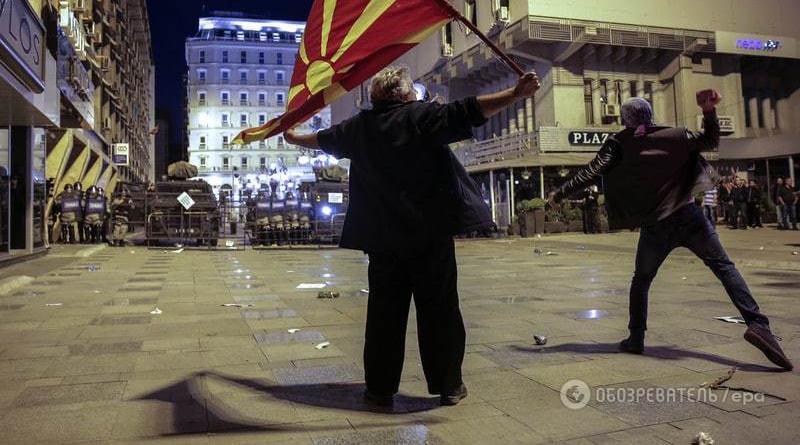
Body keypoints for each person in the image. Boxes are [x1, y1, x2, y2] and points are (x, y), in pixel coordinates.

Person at [284, 66, 541, 405]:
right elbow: (470, 111)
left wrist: (291, 136)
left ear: (376, 96)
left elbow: (323, 140)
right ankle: (449, 385)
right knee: (440, 311)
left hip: (383, 241)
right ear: (405, 94)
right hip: (429, 234)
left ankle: (379, 389)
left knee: (383, 316)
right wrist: (515, 94)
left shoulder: (359, 127)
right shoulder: (421, 116)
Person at [549, 90, 792, 371]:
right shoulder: (676, 136)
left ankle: (636, 337)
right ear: (651, 116)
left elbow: (591, 171)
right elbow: (711, 140)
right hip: (690, 217)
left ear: (625, 119)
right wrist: (708, 111)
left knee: (641, 280)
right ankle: (758, 325)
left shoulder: (618, 143)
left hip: (656, 225)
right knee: (724, 267)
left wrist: (559, 193)